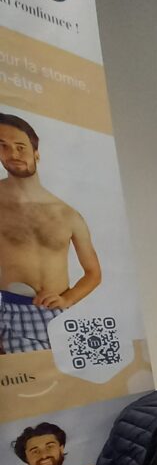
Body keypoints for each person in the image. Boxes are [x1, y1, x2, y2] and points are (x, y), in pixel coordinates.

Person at [0, 113, 102, 354]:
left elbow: (93, 273)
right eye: (3, 146)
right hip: (13, 313)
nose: (13, 154)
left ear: (36, 153)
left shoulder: (67, 214)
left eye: (20, 146)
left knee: (80, 378)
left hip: (62, 316)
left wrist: (67, 299)